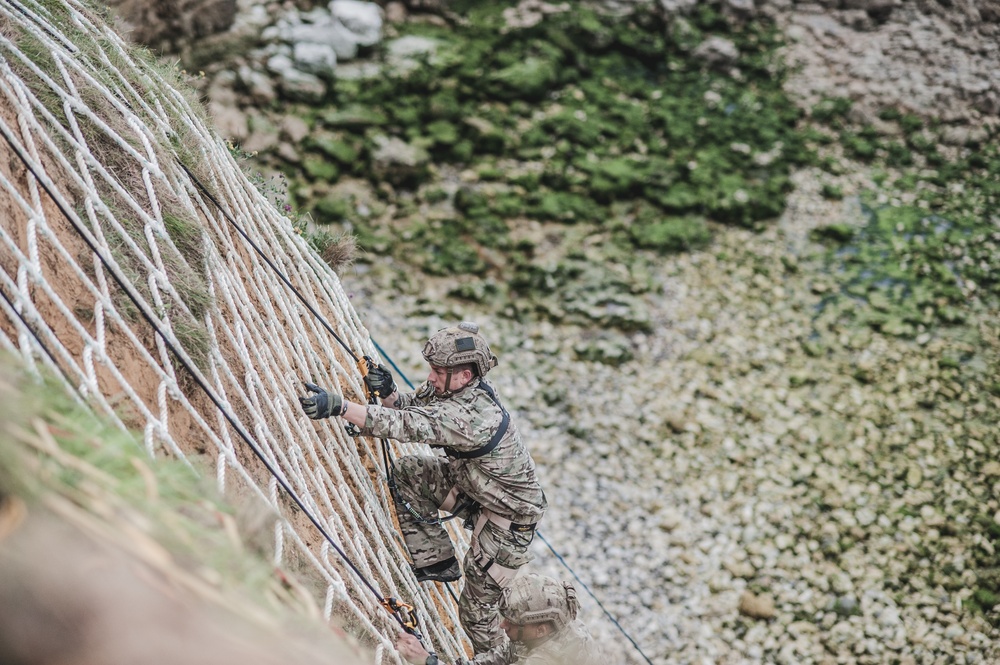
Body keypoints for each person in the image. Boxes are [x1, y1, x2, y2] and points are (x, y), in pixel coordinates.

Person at [298, 322, 547, 654]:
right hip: (476, 490)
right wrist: (388, 393)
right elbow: (409, 407)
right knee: (410, 472)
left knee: (477, 614)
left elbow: (406, 426)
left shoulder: (472, 418)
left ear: (465, 375)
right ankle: (437, 562)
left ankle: (494, 661)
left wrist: (341, 408)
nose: (430, 376)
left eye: (437, 370)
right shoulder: (450, 390)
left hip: (507, 524)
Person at [394, 573, 602, 665]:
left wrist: (427, 661)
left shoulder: (547, 658)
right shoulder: (548, 630)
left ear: (541, 630)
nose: (502, 625)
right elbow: (503, 655)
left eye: (513, 623)